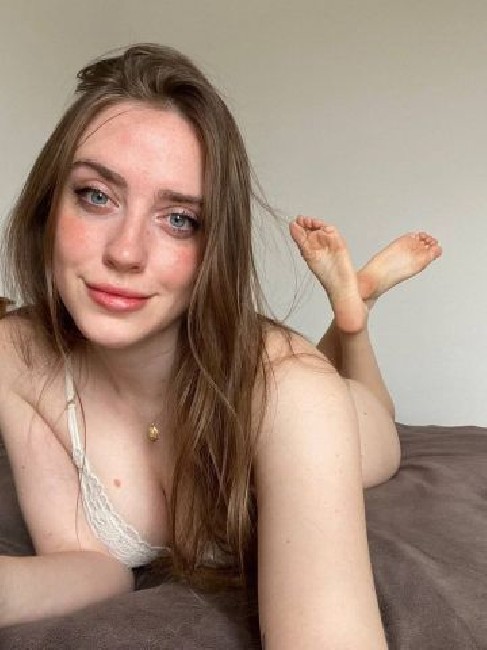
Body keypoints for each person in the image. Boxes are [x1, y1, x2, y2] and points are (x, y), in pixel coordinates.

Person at [0, 43, 441, 648]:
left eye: (179, 219)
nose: (125, 253)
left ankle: (354, 318)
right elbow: (89, 563)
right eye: (97, 196)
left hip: (339, 415)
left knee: (370, 410)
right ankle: (353, 306)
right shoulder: (16, 355)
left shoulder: (294, 394)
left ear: (215, 249)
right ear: (49, 204)